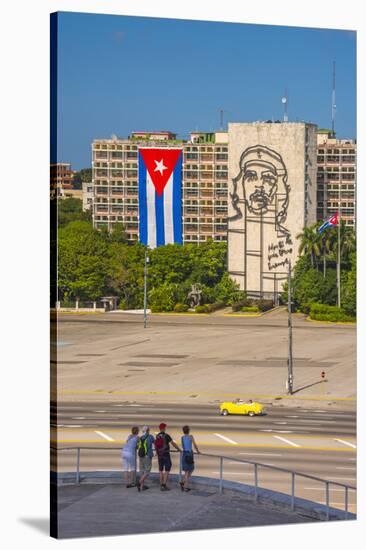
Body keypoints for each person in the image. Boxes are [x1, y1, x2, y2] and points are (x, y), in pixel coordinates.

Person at [155, 422, 181, 491]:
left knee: (160, 470)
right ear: (163, 428)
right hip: (166, 454)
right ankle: (164, 485)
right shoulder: (166, 435)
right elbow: (173, 443)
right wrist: (179, 449)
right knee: (167, 469)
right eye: (165, 427)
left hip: (160, 455)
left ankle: (161, 485)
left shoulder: (157, 435)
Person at [180, 425, 200, 492]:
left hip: (184, 454)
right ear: (189, 430)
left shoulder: (182, 437)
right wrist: (198, 451)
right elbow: (194, 445)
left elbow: (183, 446)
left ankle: (183, 482)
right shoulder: (191, 437)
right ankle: (185, 487)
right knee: (190, 470)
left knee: (187, 470)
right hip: (189, 454)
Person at [136, 426, 155, 492]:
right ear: (148, 430)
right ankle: (139, 482)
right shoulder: (150, 437)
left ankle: (141, 487)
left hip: (141, 455)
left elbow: (137, 446)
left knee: (142, 470)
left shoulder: (140, 437)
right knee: (147, 471)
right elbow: (155, 443)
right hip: (147, 455)